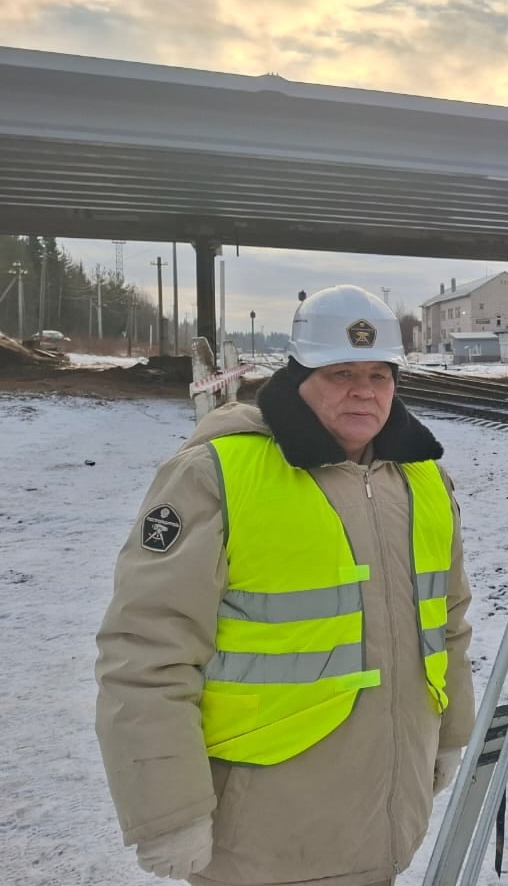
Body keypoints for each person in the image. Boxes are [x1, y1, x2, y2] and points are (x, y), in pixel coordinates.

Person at [96, 284, 475, 886]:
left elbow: (447, 622)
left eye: (379, 375)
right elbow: (146, 650)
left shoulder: (422, 480)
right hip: (258, 837)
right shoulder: (217, 475)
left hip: (384, 821)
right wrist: (167, 811)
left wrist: (450, 734)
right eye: (341, 373)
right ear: (299, 377)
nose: (364, 391)